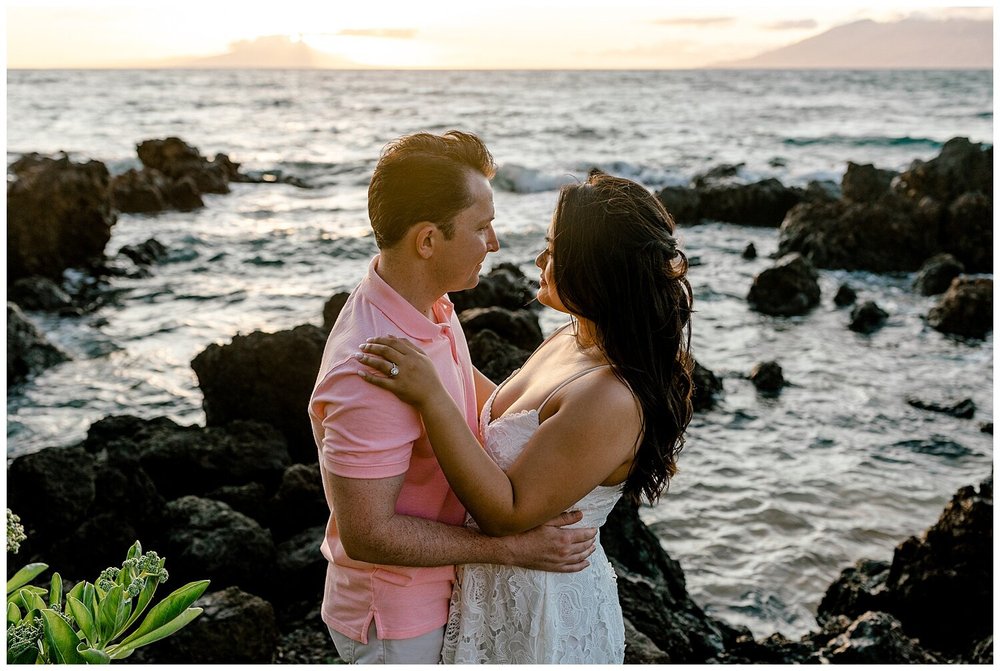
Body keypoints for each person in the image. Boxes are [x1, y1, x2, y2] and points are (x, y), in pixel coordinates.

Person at [357, 170, 695, 663]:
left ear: (595, 268)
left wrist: (431, 397)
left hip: (544, 607)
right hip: (494, 586)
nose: (539, 260)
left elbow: (507, 513)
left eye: (554, 250)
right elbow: (510, 417)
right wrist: (430, 339)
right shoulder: (574, 336)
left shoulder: (611, 396)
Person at [308, 130, 598, 665]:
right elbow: (368, 534)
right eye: (481, 227)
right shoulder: (371, 370)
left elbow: (477, 402)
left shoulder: (427, 305)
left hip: (440, 596)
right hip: (397, 621)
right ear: (426, 241)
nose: (495, 243)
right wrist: (509, 549)